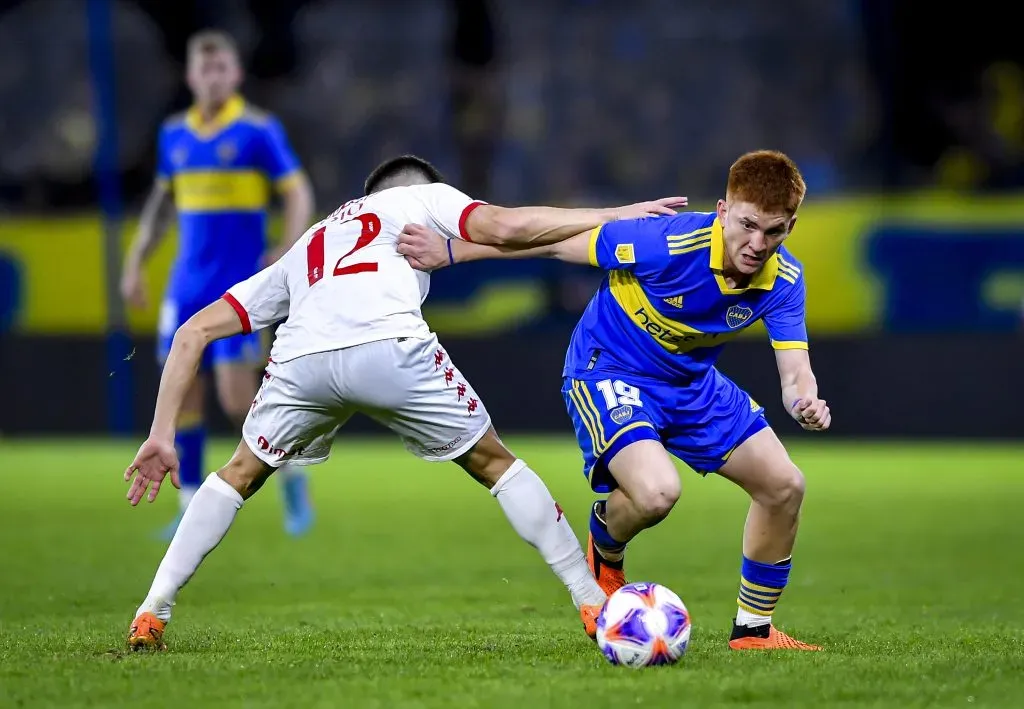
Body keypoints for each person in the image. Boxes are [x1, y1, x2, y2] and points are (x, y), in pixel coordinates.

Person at [124, 154, 687, 650]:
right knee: (495, 463)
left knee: (239, 472)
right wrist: (613, 214)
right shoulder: (421, 197)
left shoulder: (310, 242)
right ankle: (591, 600)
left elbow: (194, 332)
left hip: (303, 361)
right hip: (389, 346)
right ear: (414, 192)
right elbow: (508, 227)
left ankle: (153, 609)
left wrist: (161, 434)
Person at [396, 150, 830, 651]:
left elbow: (796, 372)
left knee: (784, 485)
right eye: (747, 225)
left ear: (791, 226)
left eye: (773, 232)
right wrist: (451, 252)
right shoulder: (665, 241)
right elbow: (555, 246)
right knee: (656, 494)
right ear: (723, 209)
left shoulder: (784, 280)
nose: (757, 244)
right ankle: (606, 542)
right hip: (611, 369)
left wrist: (805, 402)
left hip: (691, 384)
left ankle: (754, 631)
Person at [120, 30, 316, 539]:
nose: (212, 77)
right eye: (203, 69)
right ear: (190, 76)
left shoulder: (256, 131)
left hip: (240, 286)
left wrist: (288, 248)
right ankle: (188, 505)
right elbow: (162, 207)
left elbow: (297, 194)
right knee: (184, 395)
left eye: (221, 69)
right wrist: (135, 262)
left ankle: (291, 479)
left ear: (235, 75)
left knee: (237, 400)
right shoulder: (173, 136)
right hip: (185, 286)